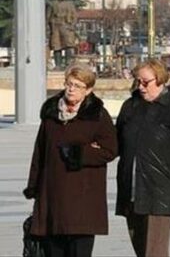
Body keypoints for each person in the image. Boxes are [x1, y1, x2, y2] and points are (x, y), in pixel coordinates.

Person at [24, 64, 117, 257]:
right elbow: (39, 153)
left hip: (83, 199)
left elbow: (110, 150)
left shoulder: (97, 116)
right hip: (52, 197)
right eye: (69, 83)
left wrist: (79, 153)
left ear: (88, 90)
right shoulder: (51, 114)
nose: (71, 89)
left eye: (78, 85)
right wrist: (33, 186)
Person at [116, 59, 170, 257]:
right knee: (141, 249)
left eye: (145, 82)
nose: (140, 87)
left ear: (160, 80)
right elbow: (117, 142)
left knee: (155, 252)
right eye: (138, 81)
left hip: (163, 190)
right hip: (132, 189)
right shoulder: (130, 107)